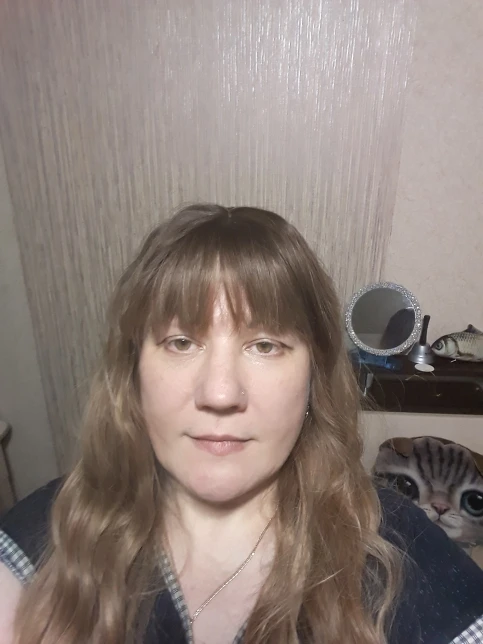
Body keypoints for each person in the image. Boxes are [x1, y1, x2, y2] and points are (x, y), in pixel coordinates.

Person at [1, 204, 483, 644]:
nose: (220, 394)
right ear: (134, 371)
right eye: (181, 342)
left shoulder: (392, 546)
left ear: (313, 376)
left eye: (265, 345)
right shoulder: (53, 531)